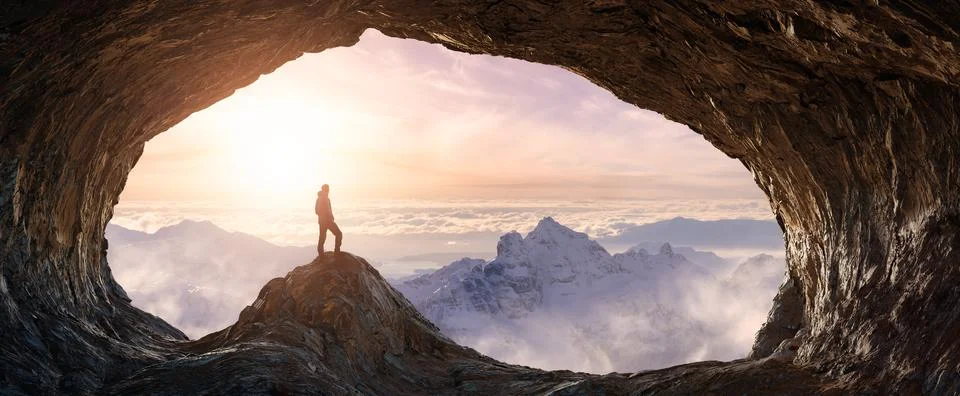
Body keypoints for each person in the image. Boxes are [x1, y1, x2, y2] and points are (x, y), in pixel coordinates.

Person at [315, 184, 342, 255]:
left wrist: (322, 216)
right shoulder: (325, 198)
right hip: (328, 221)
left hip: (321, 221)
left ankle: (321, 254)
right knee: (339, 234)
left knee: (322, 237)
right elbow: (327, 210)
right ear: (326, 189)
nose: (329, 190)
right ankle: (337, 251)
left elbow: (316, 211)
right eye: (328, 188)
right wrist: (329, 216)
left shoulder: (319, 198)